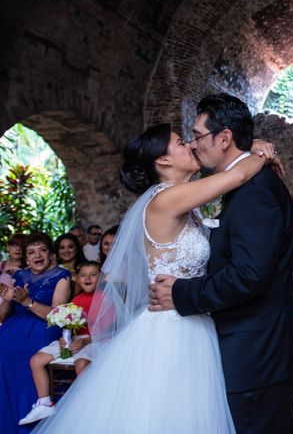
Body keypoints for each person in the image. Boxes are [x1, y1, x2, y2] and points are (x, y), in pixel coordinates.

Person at [32, 121, 275, 434]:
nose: (190, 143)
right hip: (171, 330)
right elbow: (238, 175)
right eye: (179, 141)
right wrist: (260, 151)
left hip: (191, 318)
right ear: (163, 160)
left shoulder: (182, 198)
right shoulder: (164, 199)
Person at [149, 93, 293, 434]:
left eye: (197, 135)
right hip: (247, 346)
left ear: (224, 138)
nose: (192, 144)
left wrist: (181, 293)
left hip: (258, 350)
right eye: (185, 139)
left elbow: (249, 275)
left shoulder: (255, 191)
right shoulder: (243, 183)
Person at [0, 232, 71, 434]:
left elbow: (57, 316)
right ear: (26, 257)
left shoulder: (61, 276)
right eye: (31, 252)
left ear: (50, 254)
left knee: (17, 355)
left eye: (42, 250)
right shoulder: (19, 276)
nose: (37, 255)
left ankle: (29, 424)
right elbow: (3, 316)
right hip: (12, 327)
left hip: (43, 328)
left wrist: (27, 302)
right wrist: (7, 299)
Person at [19, 261, 100, 425]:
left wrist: (84, 343)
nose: (88, 278)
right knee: (36, 360)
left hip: (94, 340)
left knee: (82, 363)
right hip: (74, 339)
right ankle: (44, 403)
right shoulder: (76, 299)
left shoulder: (105, 299)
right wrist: (66, 338)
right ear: (76, 279)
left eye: (93, 274)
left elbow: (109, 332)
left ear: (101, 277)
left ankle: (88, 406)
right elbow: (68, 323)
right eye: (83, 275)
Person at [0, 234, 26, 310]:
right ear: (8, 247)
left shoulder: (29, 269)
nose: (18, 249)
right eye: (14, 245)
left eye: (21, 246)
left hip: (14, 307)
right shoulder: (1, 265)